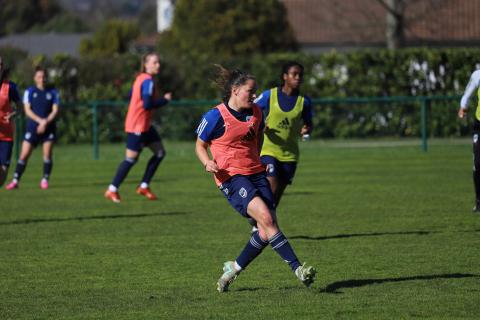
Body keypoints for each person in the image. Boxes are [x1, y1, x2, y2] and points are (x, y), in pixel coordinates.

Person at [195, 66, 316, 292]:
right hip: (231, 178)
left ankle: (233, 269)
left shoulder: (257, 113)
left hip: (257, 173)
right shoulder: (215, 116)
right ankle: (298, 269)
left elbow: (258, 136)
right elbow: (200, 145)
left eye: (255, 91)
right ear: (235, 90)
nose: (254, 95)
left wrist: (256, 159)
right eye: (250, 91)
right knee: (267, 219)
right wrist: (207, 162)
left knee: (264, 230)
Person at [104, 53, 172, 203]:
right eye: (154, 62)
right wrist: (164, 100)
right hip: (138, 126)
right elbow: (147, 104)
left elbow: (130, 96)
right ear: (146, 64)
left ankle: (144, 186)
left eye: (158, 62)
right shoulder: (147, 81)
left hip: (145, 126)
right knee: (131, 159)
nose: (158, 65)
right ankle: (112, 189)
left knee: (160, 153)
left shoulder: (140, 78)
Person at [254, 61, 313, 207]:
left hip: (290, 154)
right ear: (285, 76)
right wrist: (259, 124)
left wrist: (307, 130)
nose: (298, 77)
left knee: (276, 195)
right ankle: (258, 226)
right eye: (294, 74)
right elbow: (251, 108)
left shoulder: (304, 101)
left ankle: (259, 219)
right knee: (271, 186)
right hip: (269, 150)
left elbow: (309, 123)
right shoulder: (270, 95)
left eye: (300, 75)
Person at [6, 66, 60, 190]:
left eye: (44, 77)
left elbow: (55, 110)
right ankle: (15, 180)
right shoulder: (29, 91)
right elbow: (27, 110)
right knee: (24, 155)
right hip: (33, 128)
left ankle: (45, 179)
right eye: (39, 77)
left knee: (47, 155)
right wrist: (40, 121)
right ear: (35, 78)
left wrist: (45, 122)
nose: (42, 79)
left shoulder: (53, 92)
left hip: (48, 127)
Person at [458, 68, 480, 213]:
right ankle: (479, 201)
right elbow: (467, 93)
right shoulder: (478, 74)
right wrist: (463, 108)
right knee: (478, 163)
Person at [0, 56, 22, 187]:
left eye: (1, 64)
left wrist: (13, 114)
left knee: (2, 176)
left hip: (6, 136)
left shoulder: (10, 87)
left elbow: (20, 108)